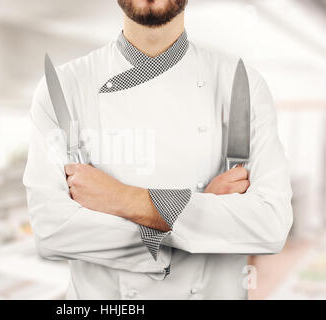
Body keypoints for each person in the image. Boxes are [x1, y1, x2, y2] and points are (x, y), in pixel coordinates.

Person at [23, 0, 293, 299]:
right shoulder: (62, 87)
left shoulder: (241, 85)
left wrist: (122, 199)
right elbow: (52, 232)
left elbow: (270, 225)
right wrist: (204, 214)